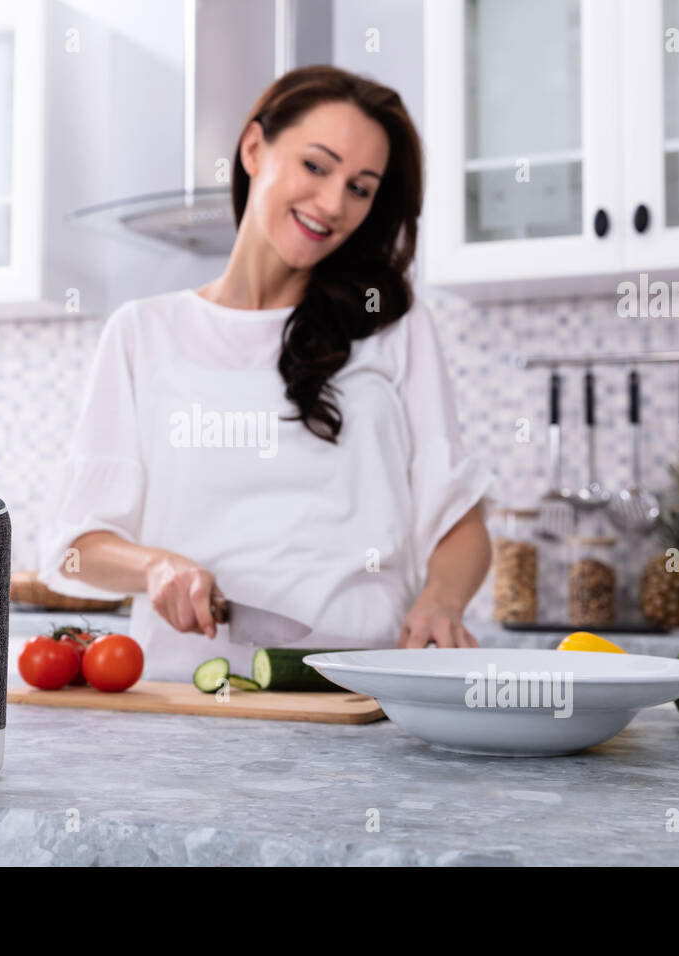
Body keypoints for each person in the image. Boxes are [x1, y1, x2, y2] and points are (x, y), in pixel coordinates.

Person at [38, 65, 495, 682]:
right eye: (316, 166)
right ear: (254, 149)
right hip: (184, 702)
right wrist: (154, 567)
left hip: (360, 697)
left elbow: (459, 524)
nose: (333, 203)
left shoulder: (392, 326)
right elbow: (71, 552)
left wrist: (440, 601)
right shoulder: (141, 333)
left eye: (361, 188)